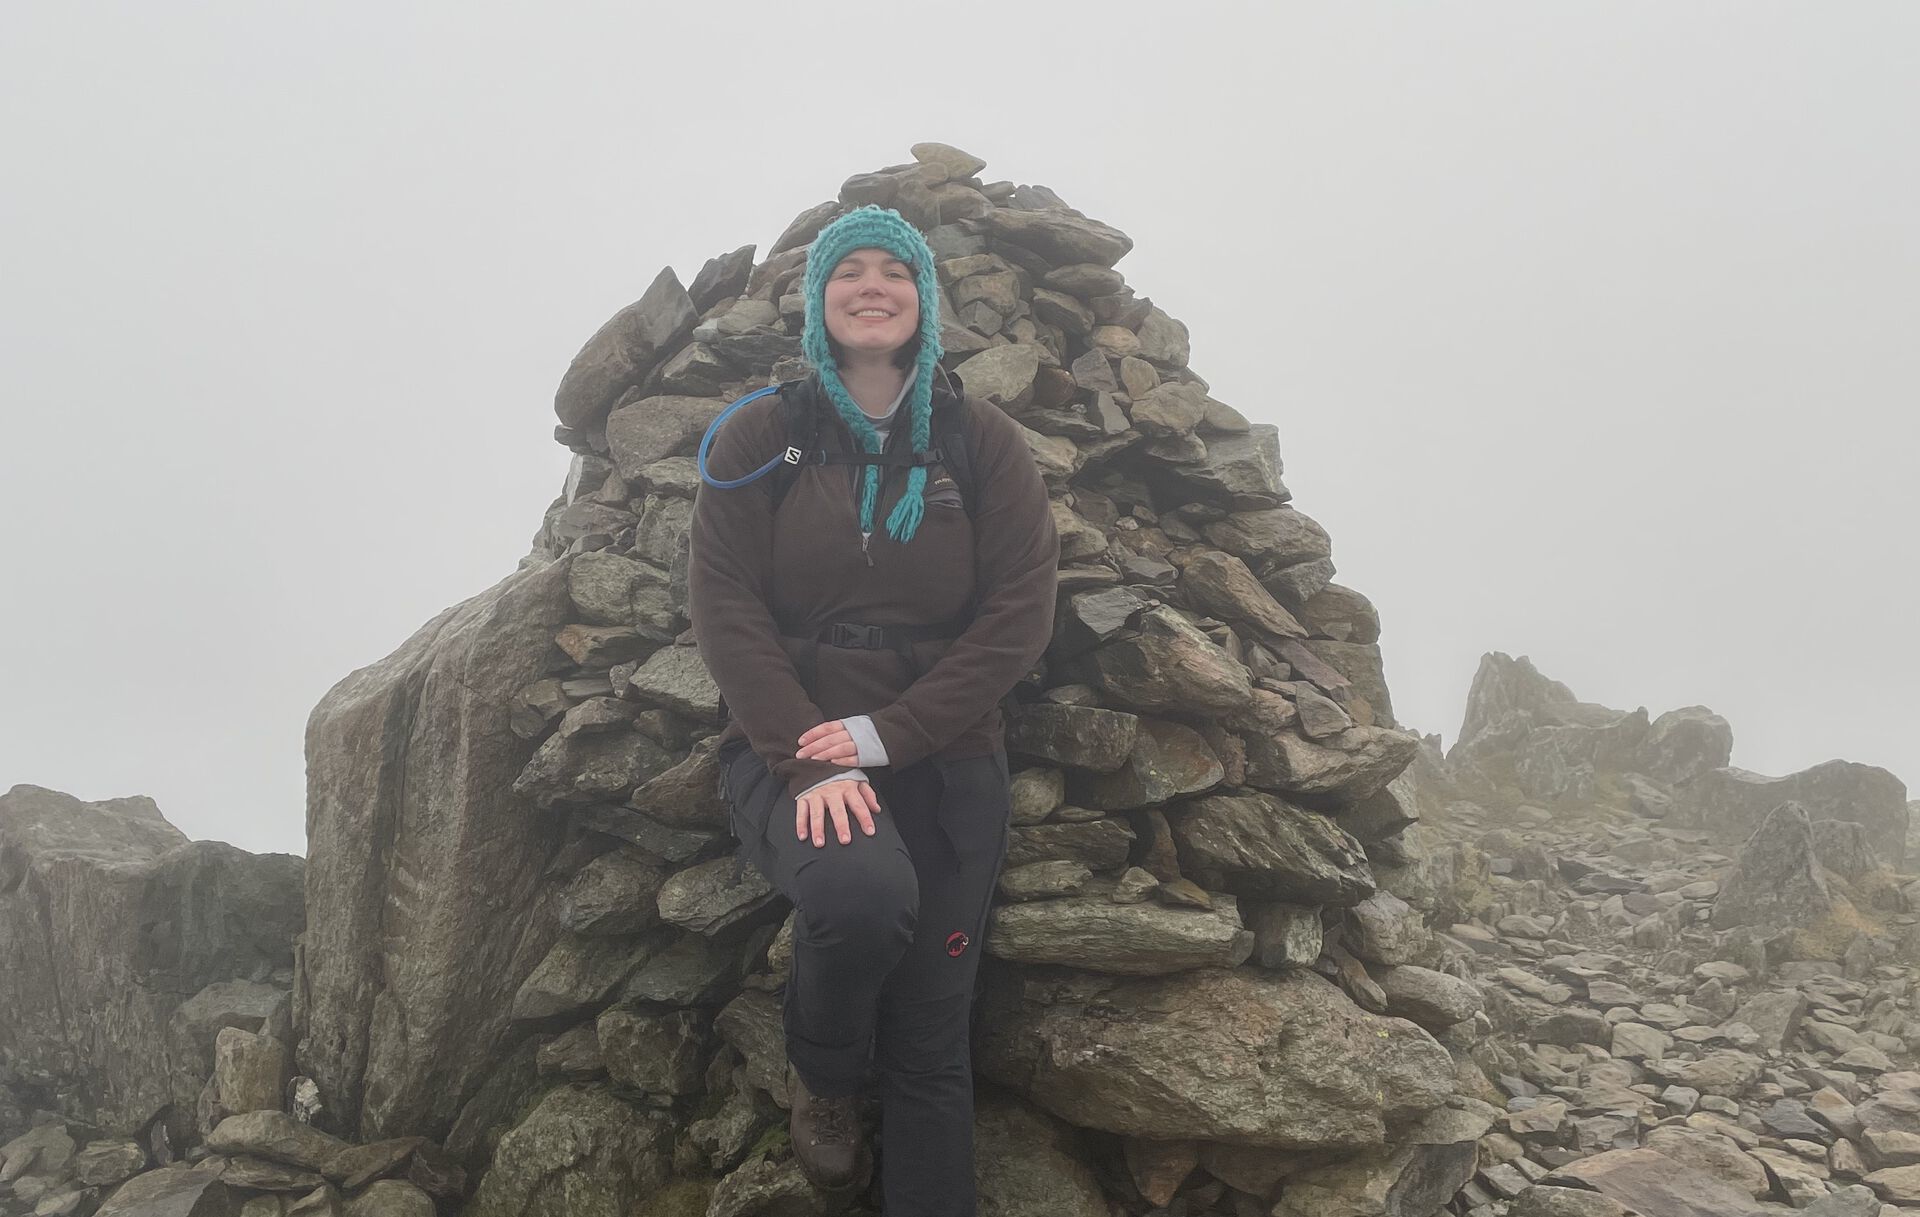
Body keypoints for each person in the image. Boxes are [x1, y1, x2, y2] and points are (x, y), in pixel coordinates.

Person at [688, 204, 1059, 1213]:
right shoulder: (765, 436)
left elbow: (1019, 615)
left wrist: (887, 732)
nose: (871, 287)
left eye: (893, 271)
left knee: (934, 1038)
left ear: (922, 300)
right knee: (857, 897)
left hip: (946, 755)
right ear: (819, 301)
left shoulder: (982, 443)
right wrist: (813, 756)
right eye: (848, 270)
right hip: (791, 742)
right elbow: (724, 608)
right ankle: (825, 1071)